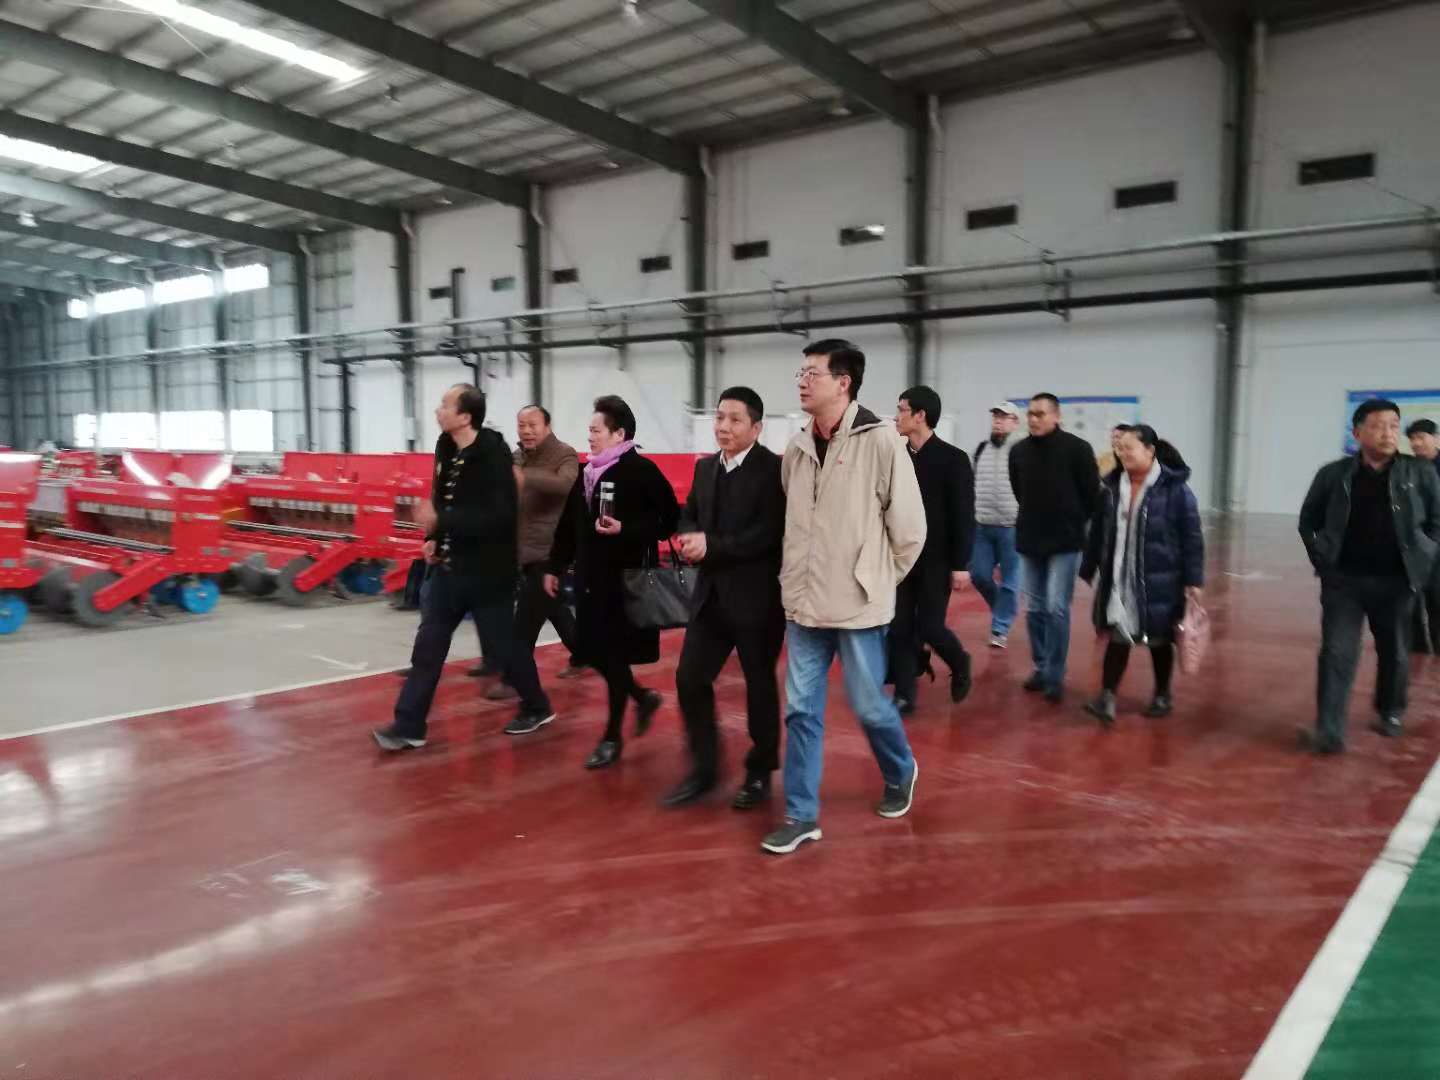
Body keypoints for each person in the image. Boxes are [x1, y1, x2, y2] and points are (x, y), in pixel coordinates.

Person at [761, 340, 926, 856]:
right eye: (801, 372)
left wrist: (874, 580)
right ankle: (801, 814)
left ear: (843, 382)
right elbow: (793, 520)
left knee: (869, 705)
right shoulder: (797, 448)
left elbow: (910, 532)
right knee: (801, 711)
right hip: (804, 604)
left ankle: (900, 769)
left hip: (858, 606)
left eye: (812, 373)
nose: (802, 381)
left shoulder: (881, 442)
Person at [373, 384, 549, 750]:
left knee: (505, 647)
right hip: (450, 570)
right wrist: (434, 536)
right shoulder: (445, 445)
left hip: (489, 573)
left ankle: (537, 705)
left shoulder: (493, 454)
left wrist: (444, 520)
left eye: (445, 405)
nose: (438, 411)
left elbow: (499, 516)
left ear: (465, 416)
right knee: (428, 647)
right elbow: (442, 496)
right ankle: (409, 725)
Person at [663, 387, 786, 809]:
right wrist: (687, 536)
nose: (723, 427)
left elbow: (768, 534)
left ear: (757, 427)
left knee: (759, 686)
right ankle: (705, 766)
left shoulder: (774, 471)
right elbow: (689, 514)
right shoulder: (705, 468)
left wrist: (711, 545)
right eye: (719, 418)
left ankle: (759, 771)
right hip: (711, 598)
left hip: (757, 601)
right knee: (689, 679)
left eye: (735, 419)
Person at [1299, 398, 1440, 753]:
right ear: (1358, 433)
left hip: (1397, 581)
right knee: (1336, 652)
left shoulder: (1420, 473)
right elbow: (1308, 520)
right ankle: (1329, 730)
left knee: (1395, 651)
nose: (1388, 433)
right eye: (1378, 426)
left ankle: (1390, 710)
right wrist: (1323, 558)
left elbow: (1437, 521)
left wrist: (1423, 556)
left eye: (1393, 426)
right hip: (1344, 582)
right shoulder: (1333, 474)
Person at [545, 395, 679, 769]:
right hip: (590, 580)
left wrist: (627, 528)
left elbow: (669, 520)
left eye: (596, 430)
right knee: (590, 650)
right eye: (589, 430)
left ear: (619, 434)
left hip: (625, 583)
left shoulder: (641, 471)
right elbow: (569, 527)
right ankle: (642, 698)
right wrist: (554, 566)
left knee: (615, 655)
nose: (589, 436)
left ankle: (612, 737)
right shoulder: (587, 473)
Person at [1079, 426, 1204, 726]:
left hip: (1160, 579)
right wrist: (1089, 565)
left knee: (1159, 638)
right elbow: (1098, 531)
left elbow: (1192, 538)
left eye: (1129, 448)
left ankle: (1162, 695)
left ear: (1150, 451)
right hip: (1119, 576)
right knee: (1118, 632)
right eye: (1120, 448)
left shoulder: (1175, 490)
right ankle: (1107, 696)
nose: (1122, 453)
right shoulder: (1111, 487)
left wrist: (1194, 580)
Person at [1008, 393, 1101, 703]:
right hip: (1030, 540)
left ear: (1057, 416)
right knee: (1034, 608)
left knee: (1056, 608)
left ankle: (1055, 674)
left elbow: (1091, 496)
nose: (1034, 419)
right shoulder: (1018, 451)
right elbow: (1019, 491)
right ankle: (1041, 666)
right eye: (1031, 414)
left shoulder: (1078, 449)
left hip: (1065, 541)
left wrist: (1073, 522)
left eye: (1041, 414)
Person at [496, 405, 582, 734]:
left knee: (520, 633)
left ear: (547, 425)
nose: (526, 430)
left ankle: (535, 705)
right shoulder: (517, 457)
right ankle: (587, 655)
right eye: (521, 425)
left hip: (550, 556)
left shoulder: (565, 455)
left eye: (532, 424)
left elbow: (565, 485)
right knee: (556, 613)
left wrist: (525, 477)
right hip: (522, 554)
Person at [890, 385, 974, 712]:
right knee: (898, 627)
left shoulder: (953, 460)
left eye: (901, 410)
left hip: (937, 560)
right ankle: (904, 695)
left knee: (930, 626)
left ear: (920, 415)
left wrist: (960, 564)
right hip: (900, 558)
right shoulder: (896, 457)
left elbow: (963, 515)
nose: (896, 416)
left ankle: (959, 661)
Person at [971, 402, 1023, 649]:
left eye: (1004, 417)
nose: (998, 421)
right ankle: (1002, 608)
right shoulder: (981, 449)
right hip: (982, 525)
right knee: (979, 575)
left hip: (1013, 527)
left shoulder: (1022, 452)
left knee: (1011, 581)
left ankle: (1000, 628)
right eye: (995, 417)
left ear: (1015, 422)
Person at [1406, 418, 1440, 653]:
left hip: (1437, 543)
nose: (1416, 443)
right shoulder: (1407, 467)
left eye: (1421, 437)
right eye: (1412, 439)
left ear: (1436, 438)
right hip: (1412, 543)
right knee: (1409, 598)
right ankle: (1416, 646)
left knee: (1436, 597)